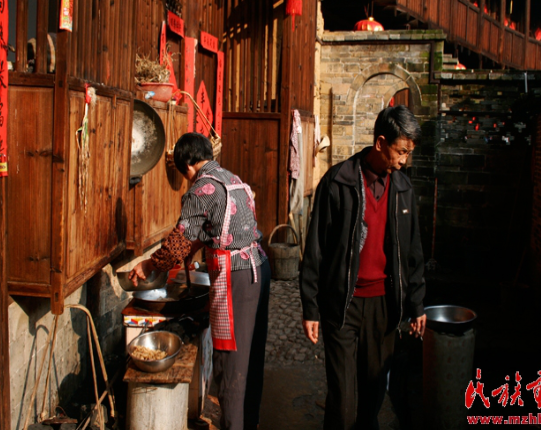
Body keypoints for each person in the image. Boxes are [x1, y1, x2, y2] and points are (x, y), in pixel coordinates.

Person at [129, 132, 270, 430]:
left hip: (236, 276)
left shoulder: (200, 189)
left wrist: (149, 265)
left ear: (187, 166)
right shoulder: (231, 178)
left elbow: (177, 244)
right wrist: (196, 248)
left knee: (231, 364)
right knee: (251, 357)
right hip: (259, 267)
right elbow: (215, 228)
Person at [299, 105, 427, 430]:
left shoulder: (403, 189)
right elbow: (315, 248)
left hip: (384, 306)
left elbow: (413, 251)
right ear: (381, 143)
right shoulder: (337, 182)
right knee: (343, 400)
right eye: (401, 151)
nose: (405, 160)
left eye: (409, 152)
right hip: (342, 303)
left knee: (373, 393)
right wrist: (310, 307)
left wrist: (416, 304)